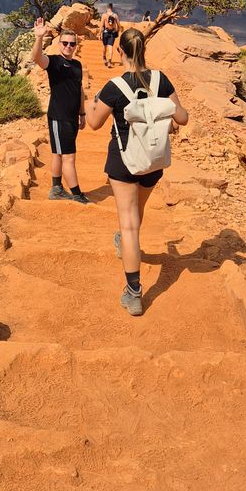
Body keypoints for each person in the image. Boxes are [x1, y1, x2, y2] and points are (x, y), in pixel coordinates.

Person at [85, 27, 188, 315]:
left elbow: (93, 123)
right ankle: (126, 245)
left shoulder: (114, 87)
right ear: (143, 51)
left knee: (128, 224)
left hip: (125, 161)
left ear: (119, 51)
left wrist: (91, 102)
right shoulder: (160, 80)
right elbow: (183, 117)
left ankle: (134, 292)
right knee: (137, 212)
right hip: (153, 162)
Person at [31, 18, 90, 204]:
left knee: (58, 153)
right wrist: (39, 38)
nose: (68, 46)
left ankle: (56, 189)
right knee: (69, 157)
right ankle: (78, 194)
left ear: (76, 46)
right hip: (59, 117)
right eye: (65, 43)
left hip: (72, 118)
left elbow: (79, 90)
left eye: (72, 44)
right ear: (59, 44)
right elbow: (37, 58)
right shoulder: (55, 62)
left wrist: (82, 114)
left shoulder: (77, 65)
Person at [100, 3, 121, 68]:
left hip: (105, 32)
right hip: (112, 33)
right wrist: (117, 31)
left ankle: (104, 58)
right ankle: (109, 62)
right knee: (110, 47)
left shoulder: (104, 15)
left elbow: (101, 25)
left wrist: (100, 34)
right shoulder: (115, 15)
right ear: (112, 8)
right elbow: (119, 25)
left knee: (104, 47)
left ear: (107, 8)